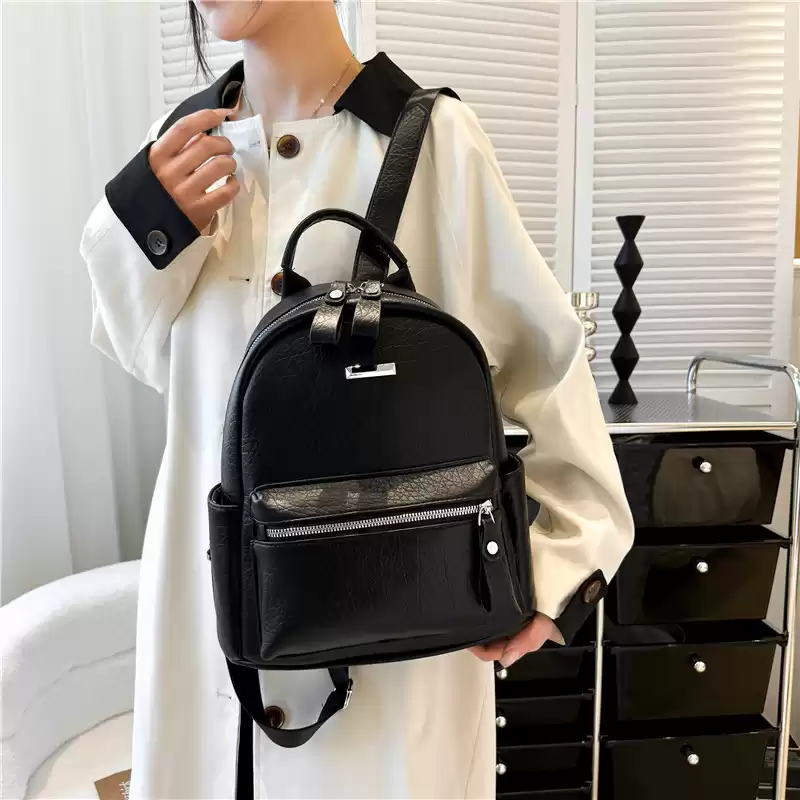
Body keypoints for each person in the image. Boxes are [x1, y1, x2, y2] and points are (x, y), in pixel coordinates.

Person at [81, 1, 634, 797]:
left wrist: (559, 566)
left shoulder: (431, 142)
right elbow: (141, 353)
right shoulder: (181, 151)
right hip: (212, 627)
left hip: (393, 632)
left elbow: (546, 362)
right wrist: (149, 220)